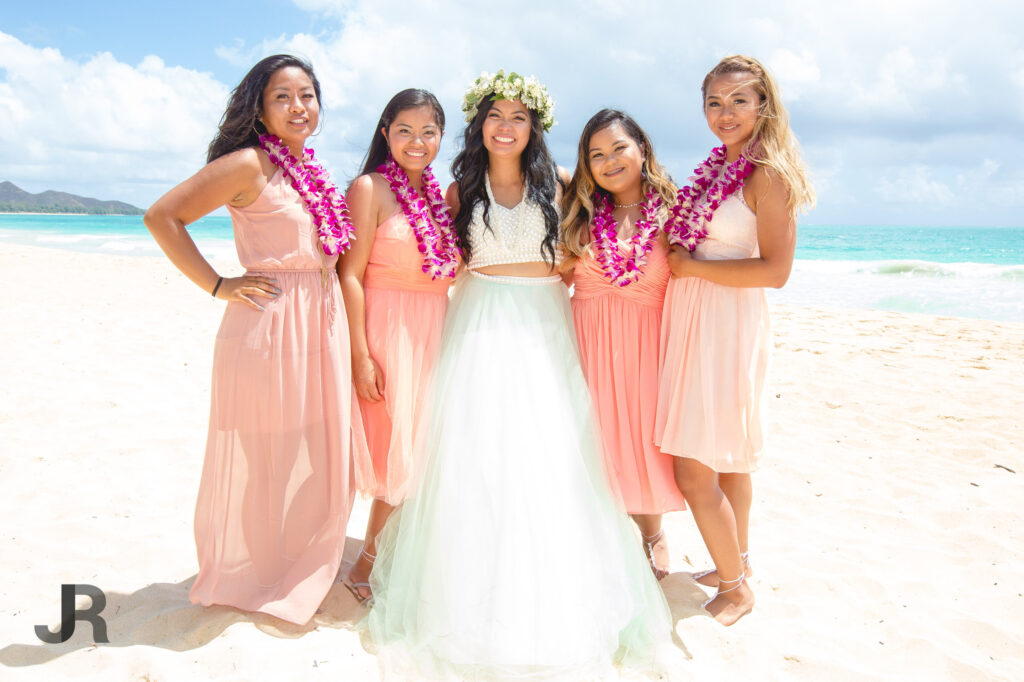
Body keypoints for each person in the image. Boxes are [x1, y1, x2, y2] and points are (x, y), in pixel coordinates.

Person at [363, 71, 673, 679]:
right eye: (495, 116)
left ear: (535, 127)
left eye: (519, 117)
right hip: (478, 320)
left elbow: (596, 242)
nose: (506, 127)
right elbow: (434, 257)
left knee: (551, 451)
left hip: (545, 323)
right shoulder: (459, 189)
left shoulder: (558, 183)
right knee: (476, 452)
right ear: (479, 125)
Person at [144, 54, 363, 625]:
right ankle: (259, 575)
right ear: (260, 111)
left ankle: (293, 562)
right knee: (270, 459)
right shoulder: (248, 164)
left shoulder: (310, 169)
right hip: (271, 326)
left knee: (324, 454)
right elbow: (162, 217)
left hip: (322, 322)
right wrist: (219, 285)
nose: (298, 106)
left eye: (307, 95)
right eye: (282, 97)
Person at [655, 55, 816, 626]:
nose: (725, 113)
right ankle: (738, 560)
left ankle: (736, 588)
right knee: (729, 458)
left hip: (727, 321)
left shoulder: (768, 173)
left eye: (739, 101)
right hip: (694, 315)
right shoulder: (716, 167)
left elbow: (776, 271)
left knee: (698, 463)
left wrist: (694, 268)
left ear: (763, 105)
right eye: (714, 103)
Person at [338, 89, 458, 603]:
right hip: (388, 333)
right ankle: (364, 565)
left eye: (428, 132)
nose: (417, 141)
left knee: (421, 453)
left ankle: (394, 557)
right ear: (385, 132)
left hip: (436, 332)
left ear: (441, 137)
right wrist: (360, 355)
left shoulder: (442, 200)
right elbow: (349, 274)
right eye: (405, 130)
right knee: (392, 455)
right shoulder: (369, 188)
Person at [560, 109, 687, 580]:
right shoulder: (580, 215)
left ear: (642, 148)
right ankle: (597, 542)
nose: (609, 161)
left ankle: (652, 533)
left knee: (642, 442)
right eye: (596, 155)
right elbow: (556, 277)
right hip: (586, 345)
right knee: (593, 442)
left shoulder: (675, 211)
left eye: (619, 148)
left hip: (647, 348)